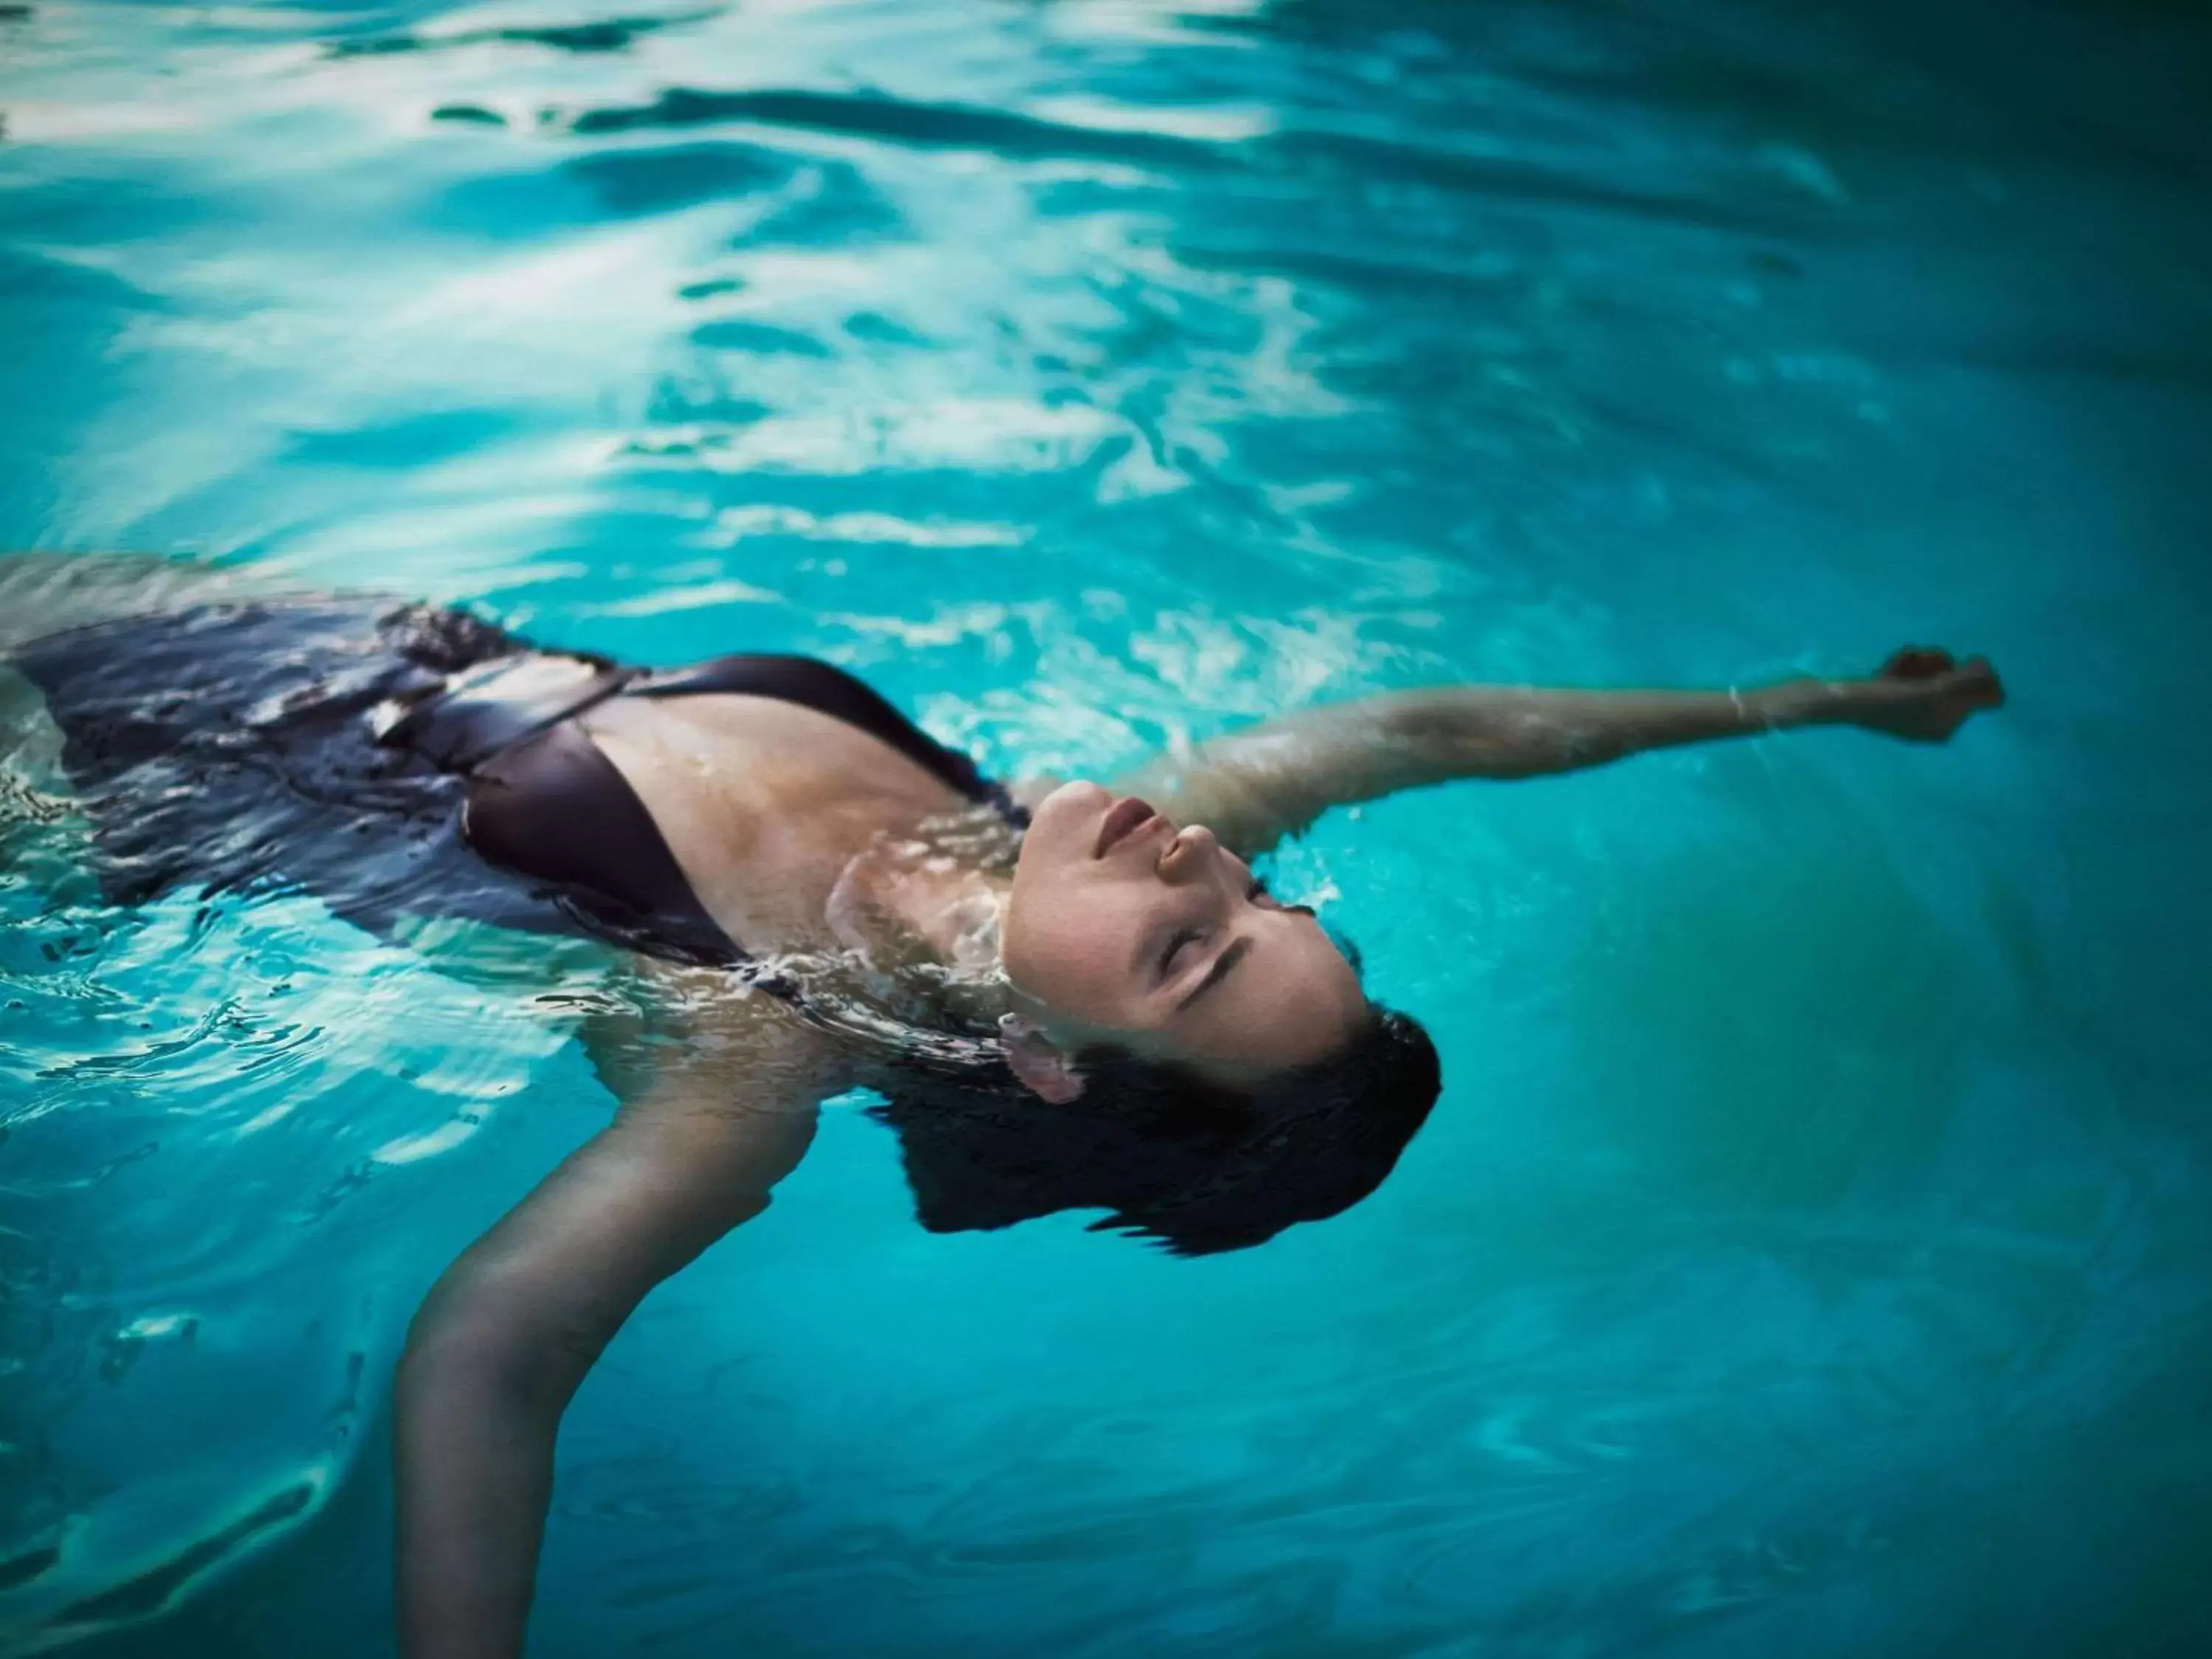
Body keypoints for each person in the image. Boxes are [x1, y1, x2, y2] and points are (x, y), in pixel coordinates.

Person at [0, 554, 2004, 1658]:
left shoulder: (746, 1058)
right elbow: (1433, 729)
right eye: (1266, 903)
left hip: (98, 801)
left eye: (1190, 956)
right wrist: (1820, 703)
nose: (1206, 872)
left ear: (1051, 1068)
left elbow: (492, 1357)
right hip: (310, 633)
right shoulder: (1109, 842)